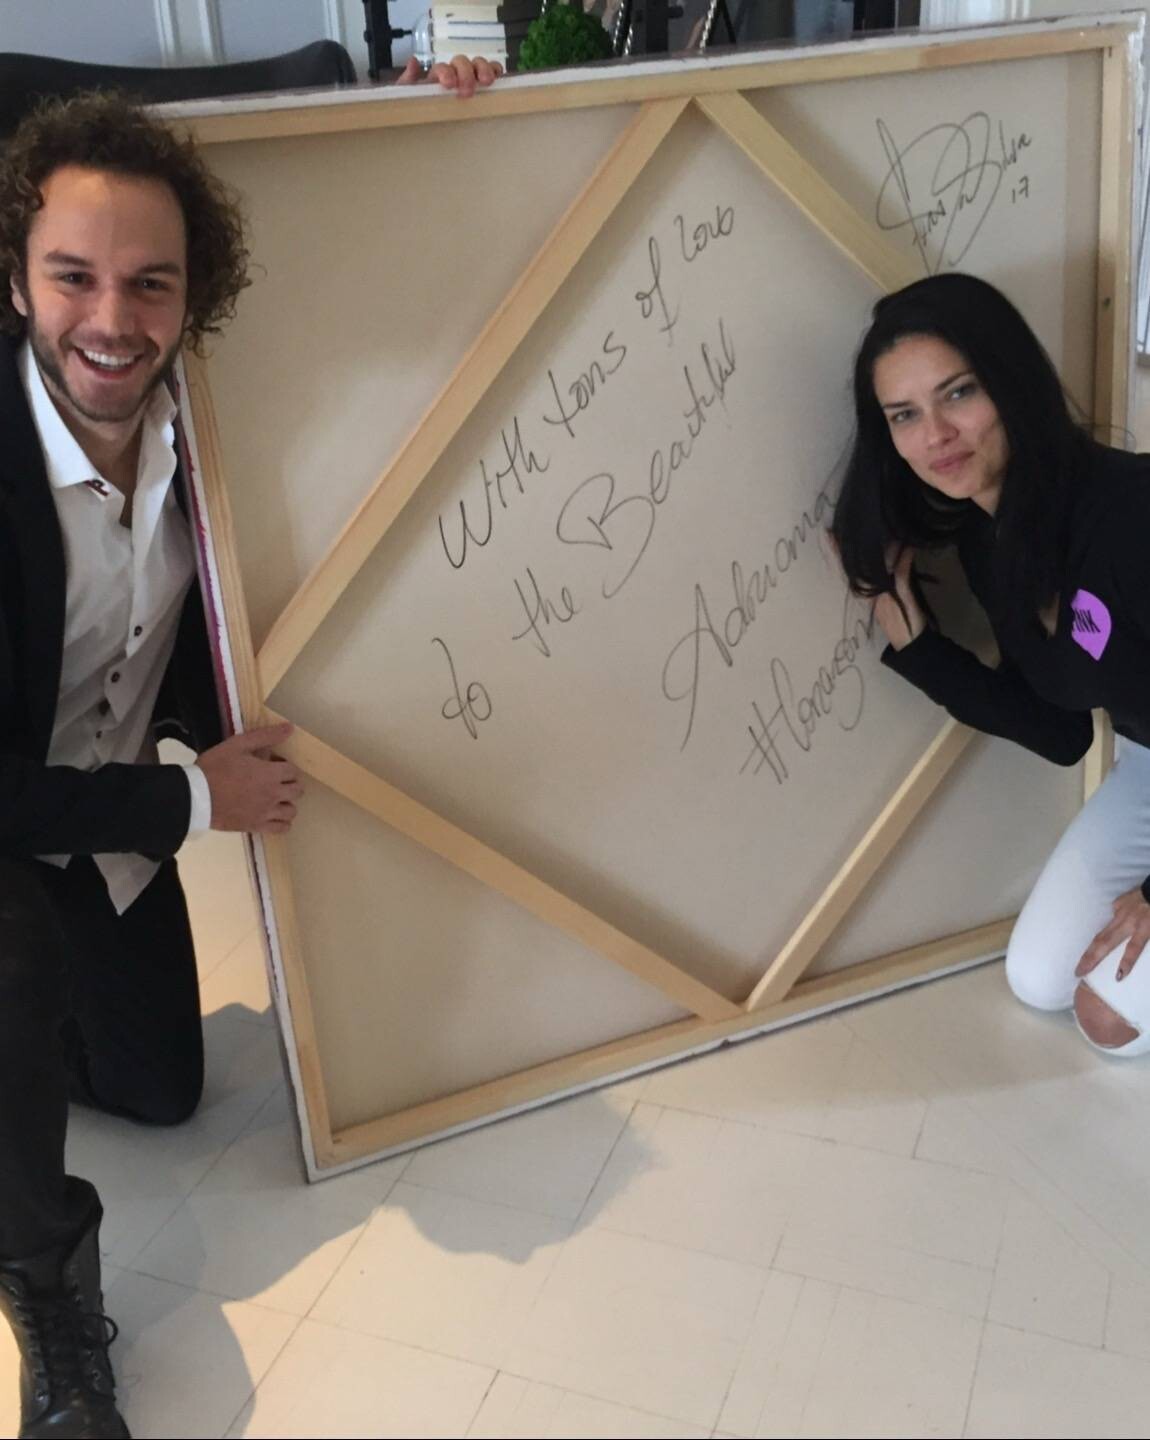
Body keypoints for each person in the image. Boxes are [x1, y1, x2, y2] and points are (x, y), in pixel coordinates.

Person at [0, 56, 500, 1440]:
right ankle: (47, 1291)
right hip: (23, 824)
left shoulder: (218, 422)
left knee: (161, 1092)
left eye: (149, 283)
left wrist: (419, 115)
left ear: (193, 295)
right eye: (73, 277)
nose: (112, 319)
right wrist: (188, 799)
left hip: (100, 831)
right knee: (9, 971)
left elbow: (363, 261)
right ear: (17, 282)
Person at [831, 272, 1150, 1061]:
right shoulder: (987, 538)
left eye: (959, 392)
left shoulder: (1132, 510)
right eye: (905, 415)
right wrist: (920, 648)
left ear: (1013, 383)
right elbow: (1061, 731)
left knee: (1110, 1021)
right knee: (1039, 979)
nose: (936, 434)